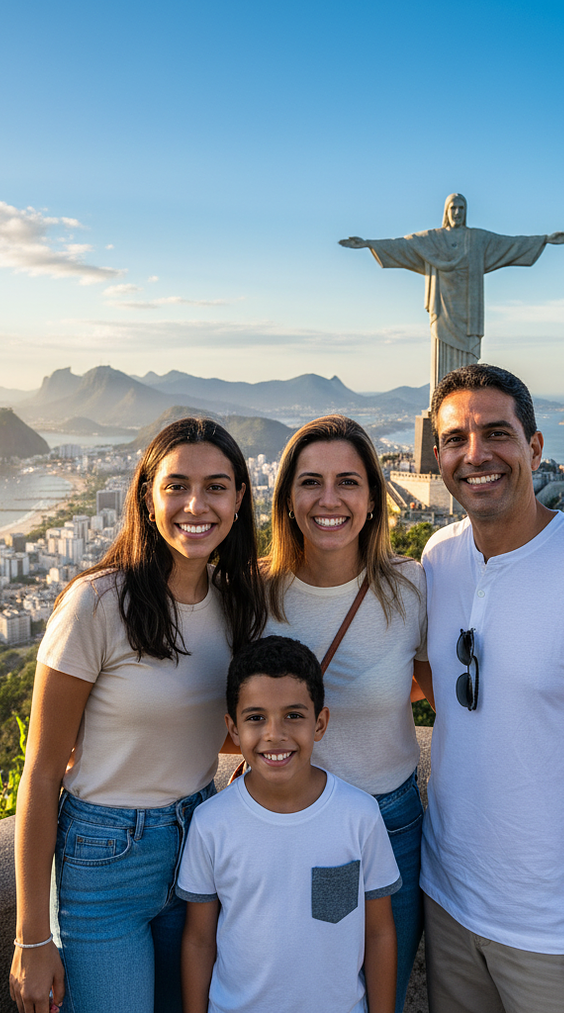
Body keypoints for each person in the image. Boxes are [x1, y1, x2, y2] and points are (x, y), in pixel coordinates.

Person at [8, 417, 266, 1013]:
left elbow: (202, 730)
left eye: (217, 486)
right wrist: (32, 935)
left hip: (200, 841)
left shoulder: (236, 604)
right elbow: (42, 772)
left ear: (238, 500)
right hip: (104, 858)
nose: (195, 504)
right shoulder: (97, 604)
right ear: (147, 499)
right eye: (176, 486)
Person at [262, 415, 431, 1013]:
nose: (329, 499)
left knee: (378, 992)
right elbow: (222, 720)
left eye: (348, 482)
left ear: (373, 497)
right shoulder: (254, 597)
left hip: (389, 821)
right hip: (298, 822)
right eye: (310, 481)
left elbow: (444, 695)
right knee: (315, 988)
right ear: (286, 497)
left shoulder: (411, 588)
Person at [419, 363, 564, 1013]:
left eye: (496, 433)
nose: (475, 455)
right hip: (447, 899)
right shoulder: (438, 558)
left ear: (534, 447)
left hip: (549, 928)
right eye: (456, 439)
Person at [177, 635, 401, 1013]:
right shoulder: (212, 823)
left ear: (320, 723)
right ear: (233, 728)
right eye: (256, 718)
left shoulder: (359, 816)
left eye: (293, 716)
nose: (274, 734)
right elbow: (199, 941)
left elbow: (379, 933)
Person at [339, 194, 564, 395]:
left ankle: (466, 399)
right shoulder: (432, 239)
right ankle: (442, 401)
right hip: (442, 307)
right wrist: (369, 244)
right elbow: (402, 245)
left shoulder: (478, 239)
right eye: (453, 208)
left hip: (468, 311)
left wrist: (543, 239)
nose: (457, 213)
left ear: (466, 212)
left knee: (467, 357)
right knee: (442, 353)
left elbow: (510, 243)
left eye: (461, 208)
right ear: (446, 212)